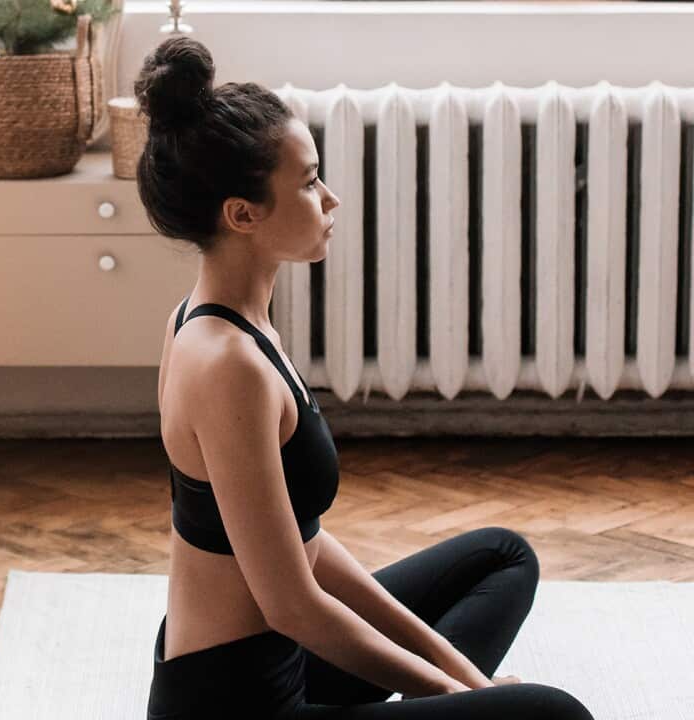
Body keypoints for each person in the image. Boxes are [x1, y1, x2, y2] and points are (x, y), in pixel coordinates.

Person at [140, 36, 594, 720]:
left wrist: (461, 680)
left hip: (281, 663)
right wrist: (448, 692)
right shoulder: (225, 363)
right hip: (243, 704)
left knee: (502, 560)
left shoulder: (228, 318)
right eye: (307, 181)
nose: (330, 198)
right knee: (551, 714)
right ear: (242, 215)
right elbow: (293, 606)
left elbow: (305, 545)